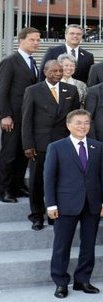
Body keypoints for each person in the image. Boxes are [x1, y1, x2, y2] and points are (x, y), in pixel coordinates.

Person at [44, 109, 103, 298]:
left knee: (88, 245)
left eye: (86, 123)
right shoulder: (56, 147)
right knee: (61, 245)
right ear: (68, 125)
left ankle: (83, 280)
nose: (83, 126)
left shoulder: (97, 146)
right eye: (78, 123)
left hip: (92, 203)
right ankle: (60, 282)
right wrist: (51, 205)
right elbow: (49, 178)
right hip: (65, 204)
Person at [22, 60, 80, 230]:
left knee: (60, 181)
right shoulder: (33, 91)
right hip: (40, 145)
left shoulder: (71, 90)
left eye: (60, 70)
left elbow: (75, 118)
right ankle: (37, 215)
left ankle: (54, 213)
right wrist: (28, 145)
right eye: (54, 70)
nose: (58, 73)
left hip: (63, 143)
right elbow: (26, 120)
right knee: (37, 181)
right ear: (45, 71)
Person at [0, 27, 40, 203]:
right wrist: (5, 115)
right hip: (13, 117)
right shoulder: (10, 61)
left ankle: (18, 186)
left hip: (28, 117)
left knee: (24, 152)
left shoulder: (33, 62)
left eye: (38, 40)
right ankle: (5, 189)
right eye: (32, 39)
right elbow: (2, 91)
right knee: (9, 154)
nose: (36, 43)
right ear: (21, 40)